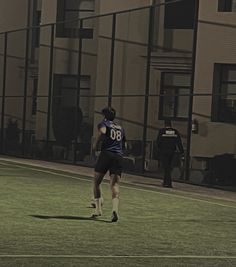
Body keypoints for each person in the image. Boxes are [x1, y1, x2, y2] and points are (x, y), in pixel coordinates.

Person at [91, 107, 126, 222]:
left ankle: (98, 210)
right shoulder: (120, 128)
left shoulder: (104, 123)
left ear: (104, 116)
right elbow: (124, 144)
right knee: (115, 185)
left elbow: (103, 132)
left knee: (96, 182)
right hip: (118, 156)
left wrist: (95, 145)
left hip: (107, 154)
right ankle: (115, 209)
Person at [156, 119, 184, 188]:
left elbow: (158, 142)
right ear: (171, 124)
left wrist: (158, 151)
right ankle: (167, 182)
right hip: (172, 152)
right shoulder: (175, 132)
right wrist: (181, 151)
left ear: (165, 124)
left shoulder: (162, 131)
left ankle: (167, 183)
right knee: (168, 167)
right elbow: (179, 142)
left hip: (163, 152)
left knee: (166, 168)